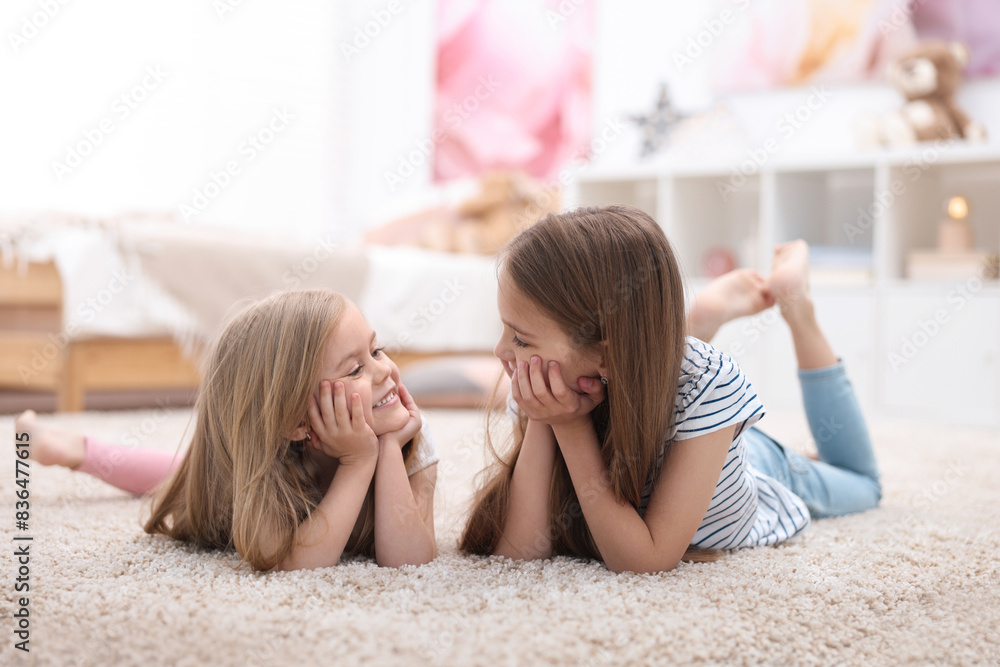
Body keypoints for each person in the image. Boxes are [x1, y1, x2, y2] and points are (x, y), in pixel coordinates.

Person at [460, 205, 881, 574]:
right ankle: (695, 323)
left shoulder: (710, 382)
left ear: (604, 355)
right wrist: (546, 421)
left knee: (864, 486)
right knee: (662, 379)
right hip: (671, 407)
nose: (500, 351)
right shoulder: (545, 383)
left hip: (744, 465)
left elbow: (647, 559)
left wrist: (570, 429)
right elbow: (515, 555)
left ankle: (798, 310)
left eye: (520, 338)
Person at [15, 289, 439, 572]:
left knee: (177, 468)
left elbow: (412, 561)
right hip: (233, 474)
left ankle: (75, 448)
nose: (385, 369)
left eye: (377, 349)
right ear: (294, 423)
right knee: (181, 480)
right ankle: (78, 451)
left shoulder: (410, 439)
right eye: (357, 369)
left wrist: (384, 452)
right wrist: (357, 459)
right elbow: (294, 565)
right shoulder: (262, 468)